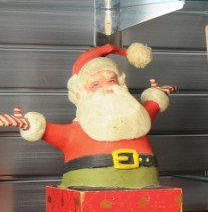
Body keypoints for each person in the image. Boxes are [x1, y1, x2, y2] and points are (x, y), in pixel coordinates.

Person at [0, 43, 175, 188]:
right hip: (89, 196)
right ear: (80, 95)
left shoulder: (137, 118)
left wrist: (158, 94)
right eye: (95, 84)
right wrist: (27, 124)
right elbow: (45, 130)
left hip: (147, 191)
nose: (107, 88)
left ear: (122, 85)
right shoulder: (77, 130)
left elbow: (152, 106)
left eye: (111, 81)